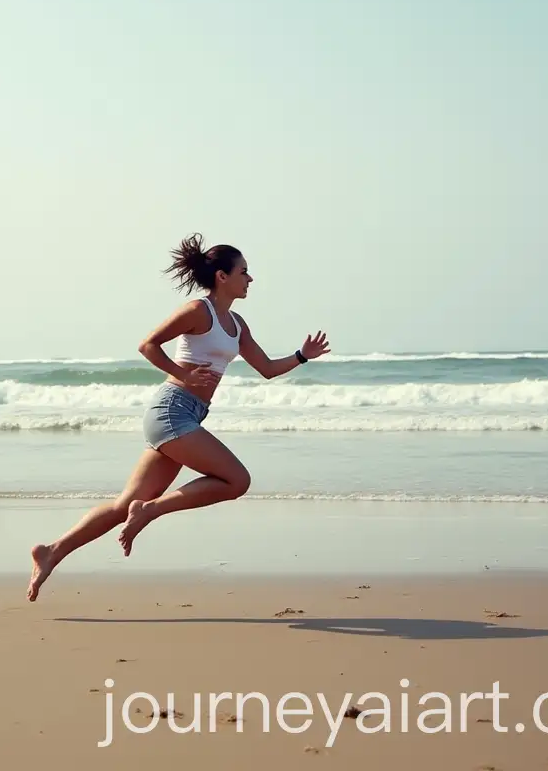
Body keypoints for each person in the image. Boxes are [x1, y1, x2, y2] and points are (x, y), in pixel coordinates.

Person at [26, 233, 330, 600]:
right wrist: (182, 373)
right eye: (244, 272)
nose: (250, 279)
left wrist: (302, 355)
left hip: (188, 415)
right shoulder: (197, 311)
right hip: (172, 410)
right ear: (222, 276)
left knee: (123, 507)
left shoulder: (236, 324)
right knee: (236, 480)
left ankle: (51, 551)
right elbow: (148, 345)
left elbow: (265, 367)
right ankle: (151, 510)